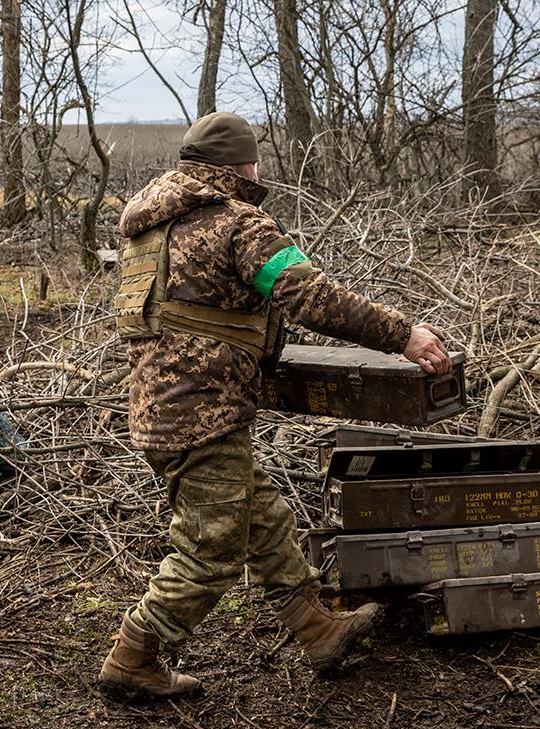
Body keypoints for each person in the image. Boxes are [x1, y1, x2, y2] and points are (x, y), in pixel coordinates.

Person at [99, 111, 452, 700]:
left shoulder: (147, 231)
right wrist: (404, 334)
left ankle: (316, 630)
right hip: (202, 415)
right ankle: (132, 656)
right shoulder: (238, 223)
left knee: (264, 521)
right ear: (244, 165)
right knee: (209, 554)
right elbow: (309, 296)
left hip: (160, 411)